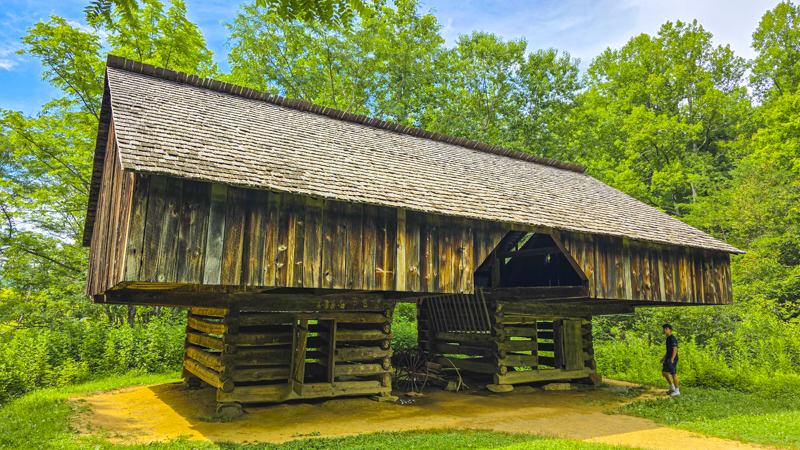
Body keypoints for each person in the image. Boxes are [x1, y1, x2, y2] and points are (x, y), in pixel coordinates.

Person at [660, 324, 680, 396]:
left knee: (673, 373)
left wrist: (672, 359)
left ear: (670, 329)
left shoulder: (672, 338)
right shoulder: (668, 338)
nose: (664, 330)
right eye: (664, 329)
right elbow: (669, 350)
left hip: (672, 358)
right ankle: (672, 387)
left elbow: (675, 349)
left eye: (666, 329)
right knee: (664, 372)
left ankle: (677, 391)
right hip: (668, 358)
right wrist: (664, 358)